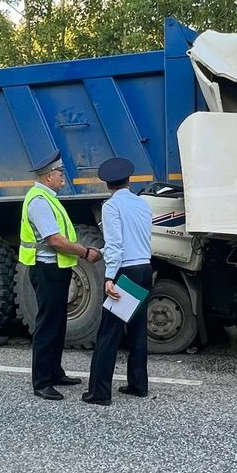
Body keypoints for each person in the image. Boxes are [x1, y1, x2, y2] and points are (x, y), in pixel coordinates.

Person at [19, 150, 101, 400]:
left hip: (56, 269)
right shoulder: (40, 201)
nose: (63, 177)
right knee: (47, 325)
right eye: (60, 174)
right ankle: (42, 382)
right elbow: (55, 240)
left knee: (57, 323)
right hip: (47, 269)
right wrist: (85, 251)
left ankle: (55, 372)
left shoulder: (47, 197)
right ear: (48, 176)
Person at [82, 157, 154, 406]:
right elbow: (134, 238)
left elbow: (116, 244)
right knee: (137, 328)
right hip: (144, 267)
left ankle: (99, 393)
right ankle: (138, 384)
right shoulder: (142, 204)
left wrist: (109, 277)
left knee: (108, 333)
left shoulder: (111, 207)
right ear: (129, 180)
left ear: (107, 184)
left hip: (125, 272)